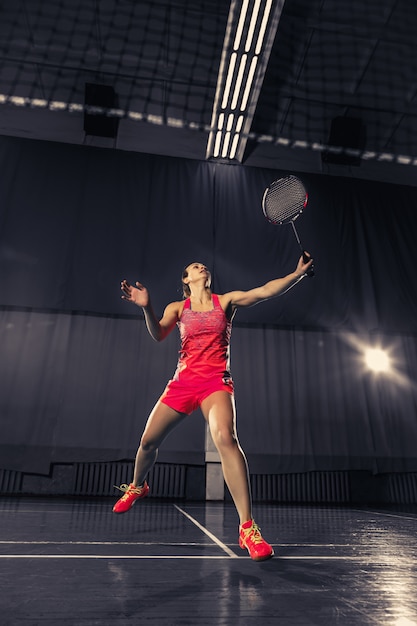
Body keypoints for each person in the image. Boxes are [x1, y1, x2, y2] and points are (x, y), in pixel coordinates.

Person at [113, 253, 313, 561]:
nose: (201, 266)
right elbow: (159, 334)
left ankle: (247, 528)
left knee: (226, 438)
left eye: (203, 265)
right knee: (147, 442)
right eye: (194, 266)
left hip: (215, 383)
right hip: (182, 384)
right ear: (186, 279)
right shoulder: (178, 308)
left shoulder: (227, 301)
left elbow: (265, 290)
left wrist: (297, 274)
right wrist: (147, 308)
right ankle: (138, 486)